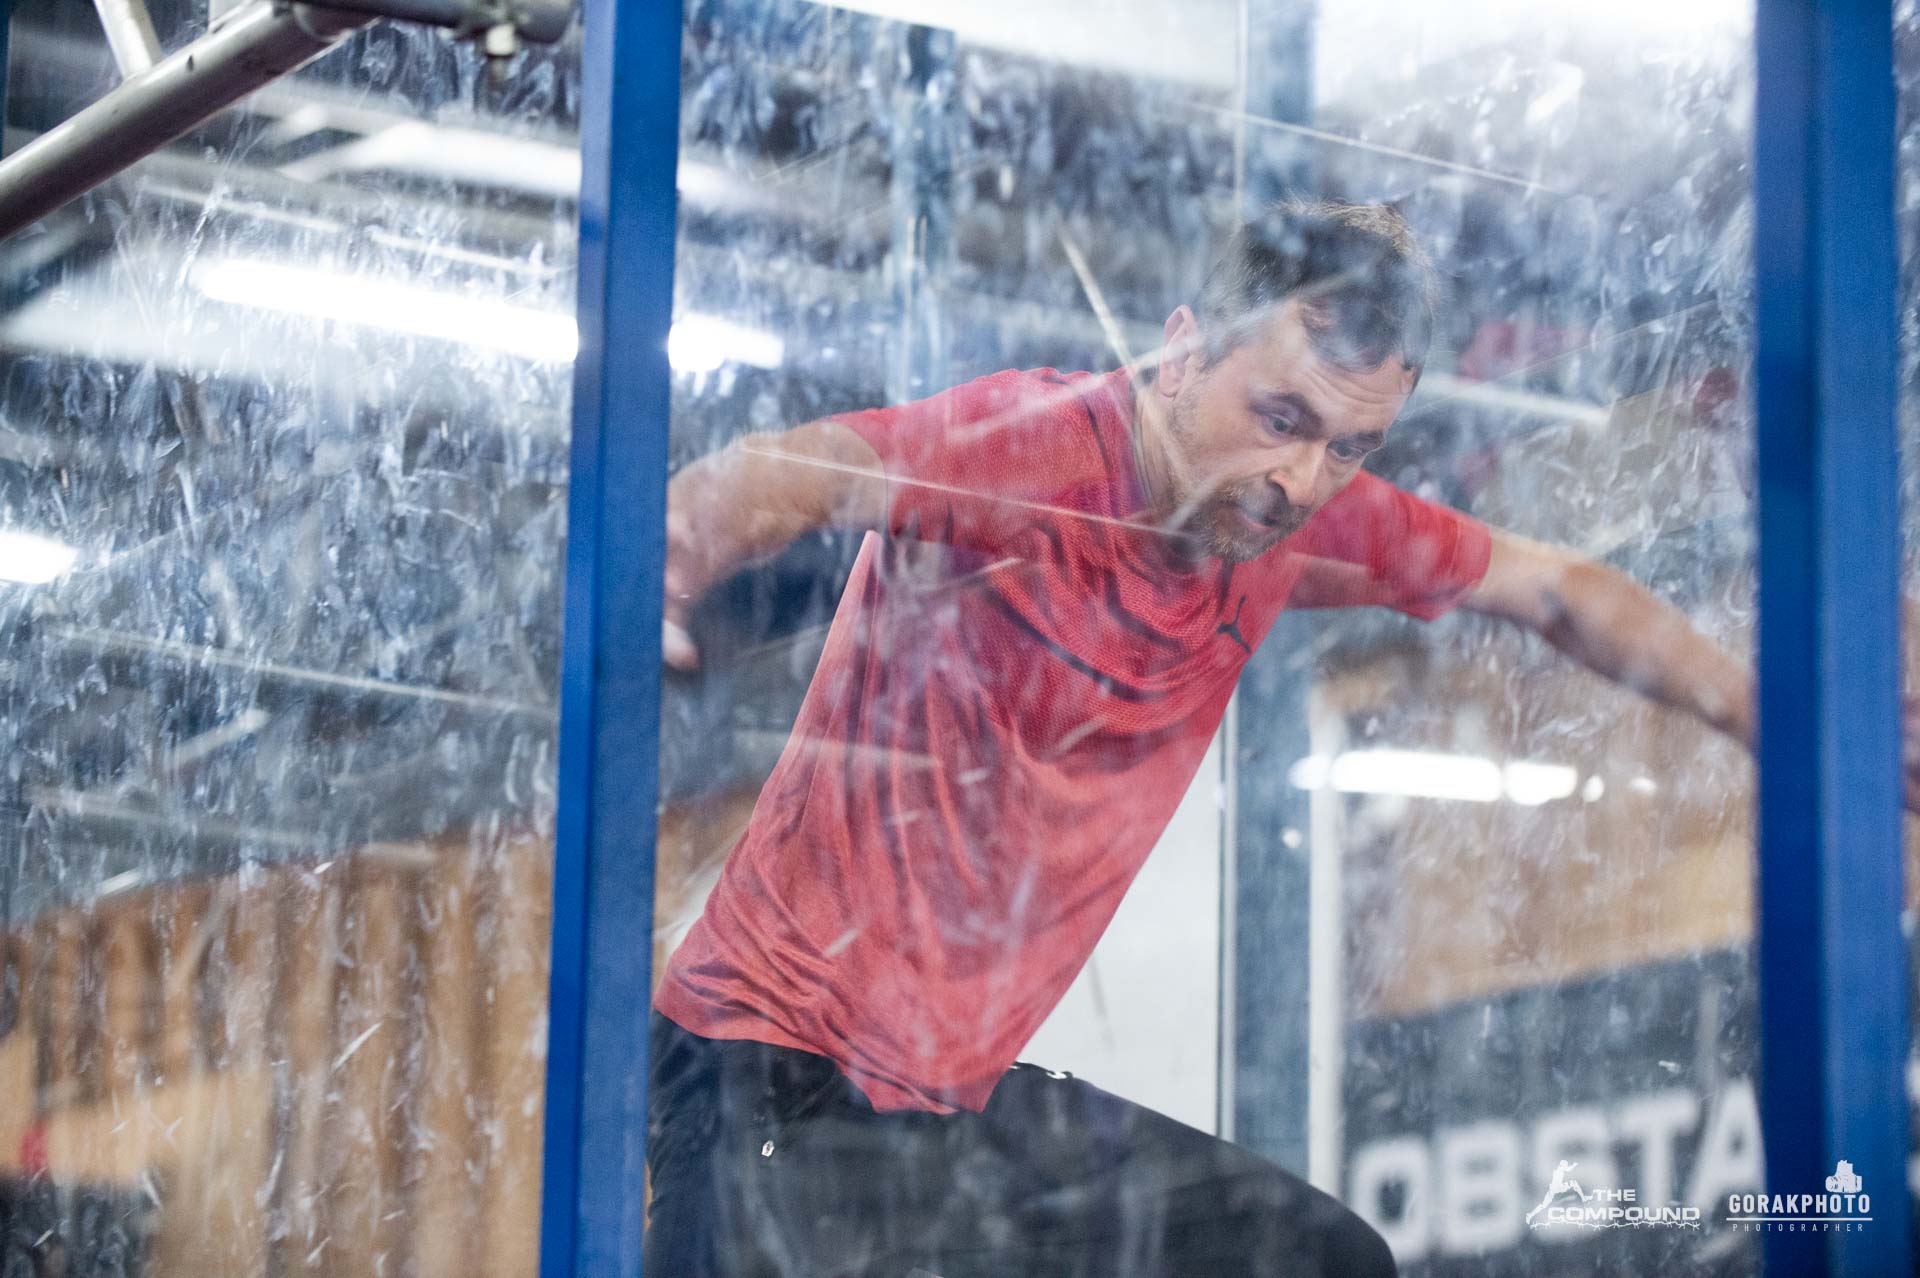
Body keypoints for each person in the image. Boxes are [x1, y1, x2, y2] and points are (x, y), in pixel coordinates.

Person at [640, 200, 1810, 1277]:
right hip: (768, 1063)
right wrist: (674, 556)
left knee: (1324, 1261)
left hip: (950, 1103)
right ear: (1184, 351)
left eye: (1348, 447)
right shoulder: (1039, 448)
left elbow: (1554, 589)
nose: (1299, 478)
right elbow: (813, 471)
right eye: (1280, 419)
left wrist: (1786, 725)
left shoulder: (1290, 528)